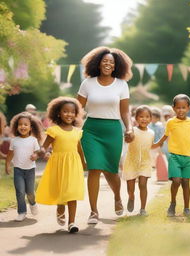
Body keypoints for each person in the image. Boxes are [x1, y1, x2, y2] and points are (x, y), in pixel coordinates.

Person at [77, 46, 134, 224]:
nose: (108, 64)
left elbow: (125, 112)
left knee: (111, 170)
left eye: (111, 62)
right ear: (98, 63)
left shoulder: (121, 85)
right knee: (94, 168)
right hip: (92, 130)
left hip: (113, 130)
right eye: (105, 61)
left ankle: (117, 197)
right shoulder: (87, 83)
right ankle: (93, 211)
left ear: (116, 66)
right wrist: (69, 129)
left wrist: (129, 128)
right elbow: (77, 109)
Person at [36, 97, 86, 233]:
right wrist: (40, 151)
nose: (69, 114)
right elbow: (45, 146)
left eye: (72, 112)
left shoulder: (78, 132)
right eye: (65, 111)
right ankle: (60, 208)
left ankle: (72, 223)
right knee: (61, 192)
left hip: (73, 165)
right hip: (58, 165)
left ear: (76, 114)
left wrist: (84, 162)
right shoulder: (54, 130)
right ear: (58, 113)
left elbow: (79, 149)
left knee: (72, 193)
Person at [154, 94, 190, 217]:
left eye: (184, 107)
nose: (181, 110)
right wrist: (158, 143)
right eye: (178, 107)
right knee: (176, 180)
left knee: (186, 182)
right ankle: (173, 203)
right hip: (174, 156)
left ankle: (186, 208)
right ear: (173, 108)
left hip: (188, 156)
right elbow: (165, 135)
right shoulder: (171, 122)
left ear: (188, 108)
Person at [5, 112, 42, 221]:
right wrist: (7, 165)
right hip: (18, 170)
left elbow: (38, 152)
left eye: (26, 124)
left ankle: (33, 203)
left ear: (30, 127)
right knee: (20, 191)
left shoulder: (33, 140)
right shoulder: (14, 140)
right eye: (20, 124)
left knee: (30, 192)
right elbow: (10, 154)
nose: (23, 126)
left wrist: (35, 155)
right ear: (16, 127)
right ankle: (22, 212)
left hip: (30, 170)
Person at [122, 105, 156, 216]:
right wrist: (127, 134)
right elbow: (127, 140)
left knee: (143, 184)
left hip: (145, 162)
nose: (144, 119)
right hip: (131, 162)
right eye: (141, 116)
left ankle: (142, 209)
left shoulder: (151, 133)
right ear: (136, 118)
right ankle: (131, 197)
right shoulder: (133, 131)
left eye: (147, 117)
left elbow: (150, 146)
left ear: (151, 119)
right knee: (130, 187)